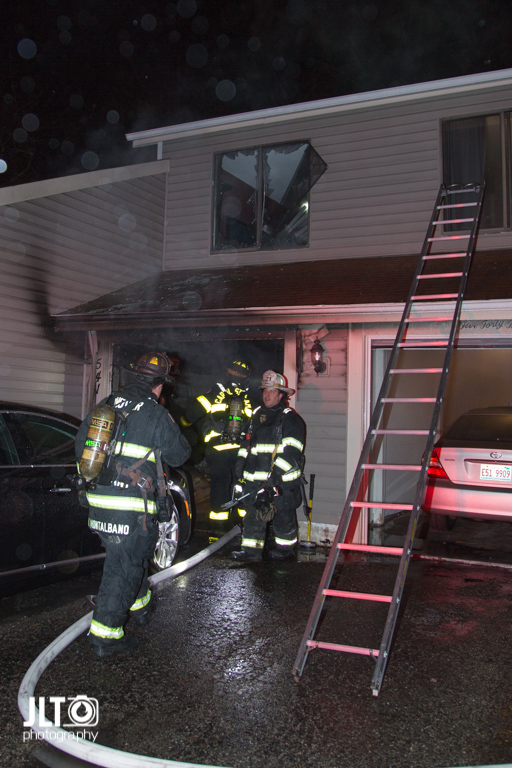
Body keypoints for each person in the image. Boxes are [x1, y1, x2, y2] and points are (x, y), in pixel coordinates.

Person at [76, 352, 191, 659]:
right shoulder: (155, 413)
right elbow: (180, 455)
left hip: (99, 503)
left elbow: (79, 446)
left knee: (127, 557)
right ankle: (105, 636)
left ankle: (140, 607)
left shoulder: (106, 406)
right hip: (132, 508)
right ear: (159, 385)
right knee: (123, 566)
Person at [231, 370, 306, 563]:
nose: (267, 394)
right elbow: (246, 445)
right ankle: (250, 551)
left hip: (280, 482)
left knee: (282, 514)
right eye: (265, 390)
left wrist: (272, 482)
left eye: (272, 391)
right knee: (253, 516)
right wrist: (240, 467)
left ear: (282, 395)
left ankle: (285, 551)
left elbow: (290, 455)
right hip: (255, 481)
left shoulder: (290, 420)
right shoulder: (256, 415)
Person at [180, 360, 254, 522]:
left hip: (218, 448)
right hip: (241, 449)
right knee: (240, 481)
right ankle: (242, 518)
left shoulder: (217, 392)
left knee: (220, 481)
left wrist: (182, 423)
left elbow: (193, 412)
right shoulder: (249, 397)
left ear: (228, 373)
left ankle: (219, 522)